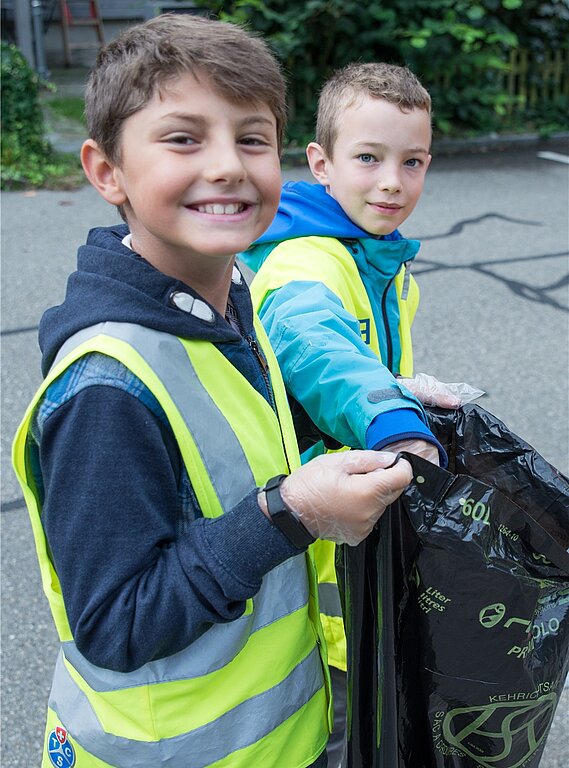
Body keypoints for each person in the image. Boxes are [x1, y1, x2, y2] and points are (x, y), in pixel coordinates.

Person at [11, 17, 415, 768]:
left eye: (252, 138)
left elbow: (248, 436)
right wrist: (290, 512)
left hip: (278, 742)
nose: (228, 165)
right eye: (183, 138)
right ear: (107, 172)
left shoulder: (234, 294)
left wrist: (381, 405)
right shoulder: (108, 385)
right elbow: (118, 622)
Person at [240, 62, 465, 766]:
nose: (392, 182)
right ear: (321, 164)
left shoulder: (378, 258)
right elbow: (315, 344)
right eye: (367, 159)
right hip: (325, 548)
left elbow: (355, 353)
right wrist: (390, 418)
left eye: (412, 161)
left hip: (354, 527)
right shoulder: (307, 260)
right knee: (345, 726)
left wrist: (396, 383)